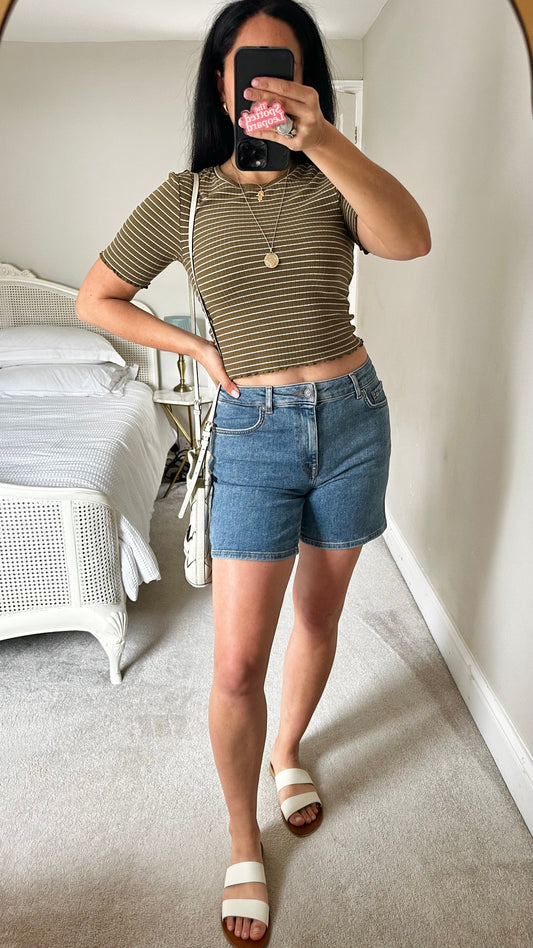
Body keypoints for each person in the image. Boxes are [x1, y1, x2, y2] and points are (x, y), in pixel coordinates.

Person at [76, 0, 431, 943]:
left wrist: (327, 141)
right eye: (247, 66)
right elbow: (98, 298)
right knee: (235, 661)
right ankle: (243, 836)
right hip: (252, 431)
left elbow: (409, 238)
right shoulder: (186, 198)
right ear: (221, 82)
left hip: (354, 418)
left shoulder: (331, 177)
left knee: (319, 616)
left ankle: (287, 751)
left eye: (283, 65)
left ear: (306, 78)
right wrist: (194, 347)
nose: (265, 82)